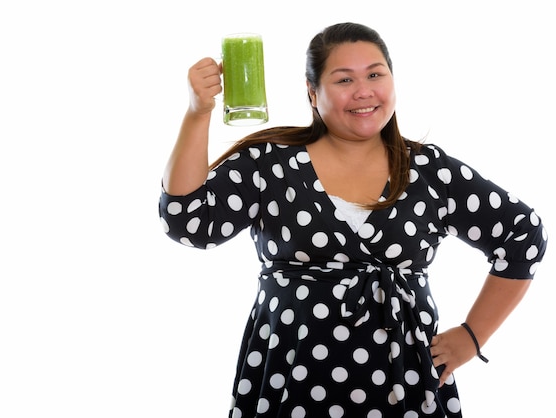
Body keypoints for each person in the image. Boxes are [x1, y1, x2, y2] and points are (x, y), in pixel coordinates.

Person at [158, 22, 547, 418]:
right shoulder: (270, 162)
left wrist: (471, 337)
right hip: (290, 378)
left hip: (404, 381)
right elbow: (189, 222)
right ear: (312, 92)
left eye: (375, 74)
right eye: (344, 79)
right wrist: (197, 114)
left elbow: (523, 236)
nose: (364, 91)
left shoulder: (429, 170)